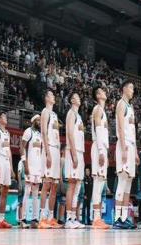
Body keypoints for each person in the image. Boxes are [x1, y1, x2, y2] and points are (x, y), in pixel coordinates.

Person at [114, 80, 138, 229]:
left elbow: (132, 131)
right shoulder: (121, 104)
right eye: (130, 87)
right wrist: (123, 148)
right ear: (124, 89)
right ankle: (117, 217)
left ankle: (124, 217)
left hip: (131, 145)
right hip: (124, 145)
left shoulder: (130, 107)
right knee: (122, 181)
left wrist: (135, 151)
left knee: (128, 184)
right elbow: (121, 129)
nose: (132, 90)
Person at [64, 91, 86, 229]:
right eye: (77, 97)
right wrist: (73, 154)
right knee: (72, 184)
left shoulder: (79, 116)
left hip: (80, 151)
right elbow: (70, 134)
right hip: (73, 151)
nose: (79, 98)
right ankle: (68, 218)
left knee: (78, 185)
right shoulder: (71, 114)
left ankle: (73, 217)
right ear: (72, 100)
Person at [40, 90, 61, 228]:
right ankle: (42, 218)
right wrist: (47, 152)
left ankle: (51, 217)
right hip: (49, 149)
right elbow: (43, 132)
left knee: (54, 185)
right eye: (52, 95)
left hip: (56, 149)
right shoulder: (45, 112)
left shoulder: (54, 114)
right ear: (47, 98)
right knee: (47, 184)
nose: (54, 97)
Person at [90, 86, 110, 229]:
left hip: (102, 147)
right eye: (102, 91)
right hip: (98, 147)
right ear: (98, 95)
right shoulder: (97, 109)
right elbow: (97, 130)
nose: (105, 92)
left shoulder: (102, 110)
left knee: (101, 182)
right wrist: (102, 151)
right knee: (97, 183)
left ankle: (98, 218)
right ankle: (96, 218)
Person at [20, 114, 42, 229]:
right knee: (27, 192)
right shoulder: (28, 131)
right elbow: (22, 147)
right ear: (33, 121)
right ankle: (23, 219)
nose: (39, 122)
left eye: (40, 120)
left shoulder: (40, 134)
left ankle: (34, 219)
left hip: (38, 167)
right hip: (30, 166)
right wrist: (25, 163)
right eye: (38, 120)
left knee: (35, 194)